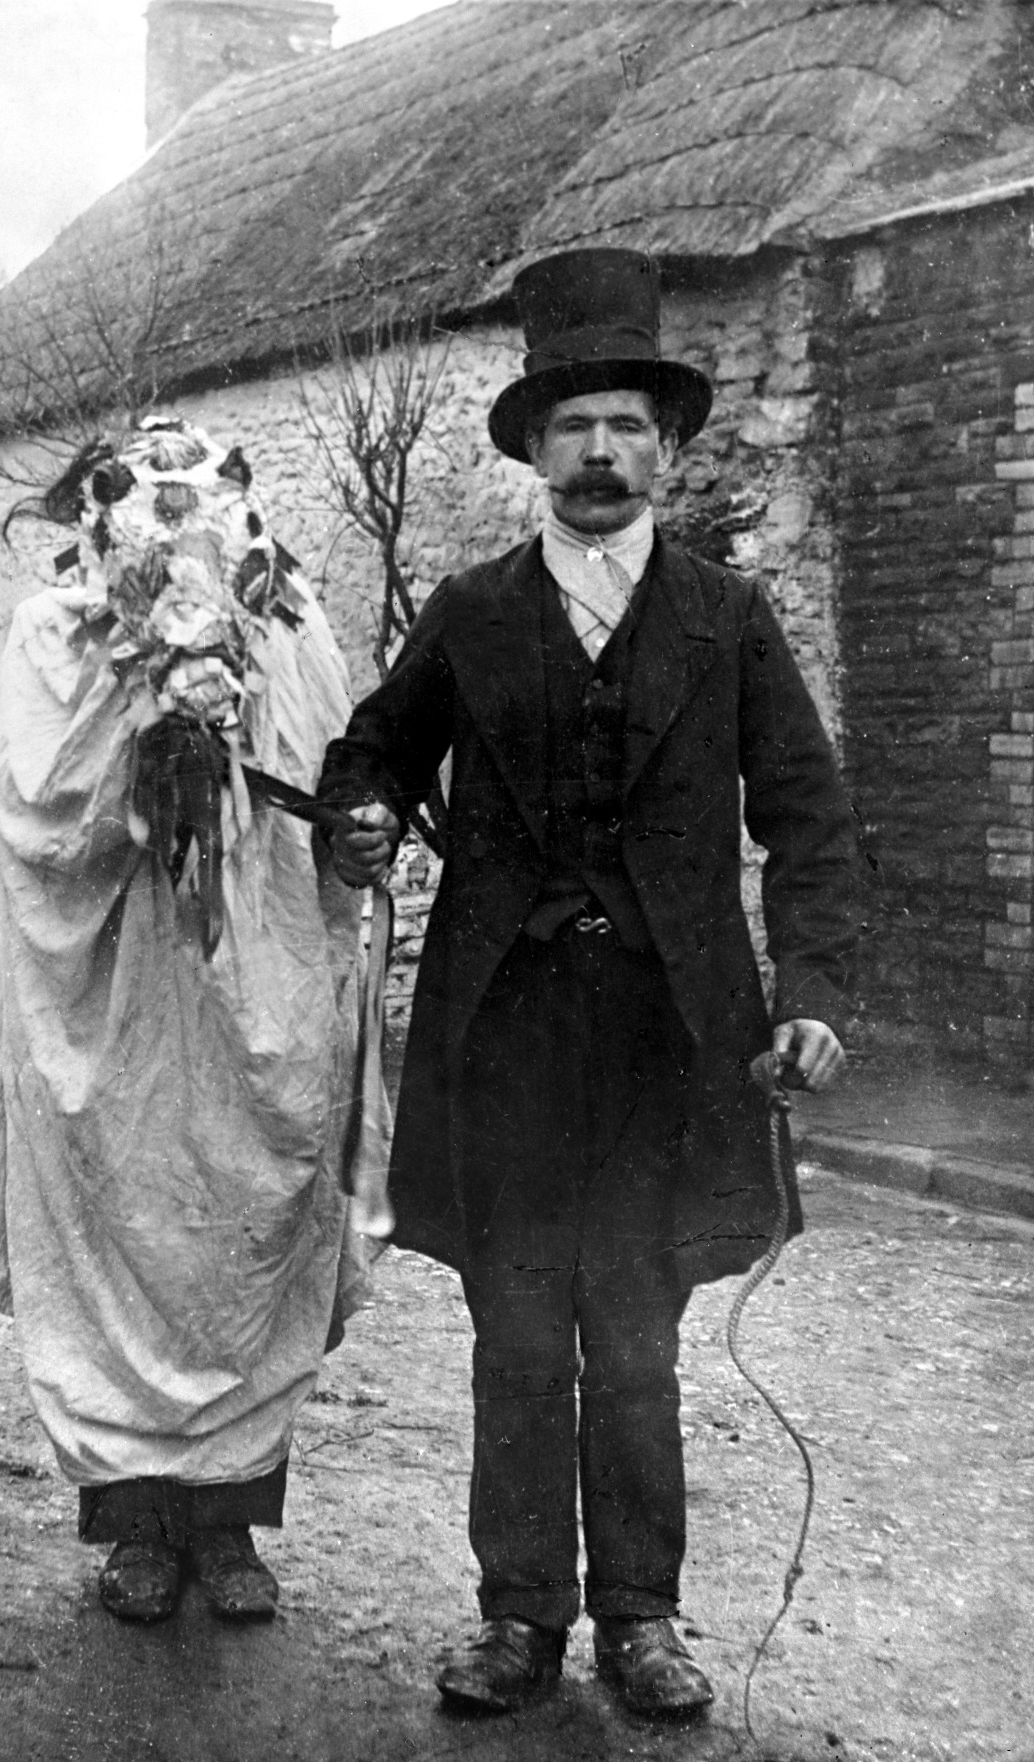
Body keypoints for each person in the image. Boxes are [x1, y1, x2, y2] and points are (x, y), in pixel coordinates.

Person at [318, 248, 857, 1719]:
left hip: (671, 1044)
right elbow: (369, 752)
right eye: (575, 428)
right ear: (535, 452)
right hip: (503, 1038)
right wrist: (360, 815)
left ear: (668, 450)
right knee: (515, 1337)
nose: (602, 452)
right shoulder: (473, 612)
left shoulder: (729, 620)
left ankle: (640, 1615)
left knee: (632, 1334)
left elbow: (807, 817)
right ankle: (517, 1618)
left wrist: (809, 987)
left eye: (628, 425)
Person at [0, 417, 384, 1631]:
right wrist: (146, 746)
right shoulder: (56, 626)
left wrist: (323, 810)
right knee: (125, 1203)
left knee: (242, 1218)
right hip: (117, 979)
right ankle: (134, 1523)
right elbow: (33, 810)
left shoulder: (290, 618)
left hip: (256, 962)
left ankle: (233, 1521)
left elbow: (334, 765)